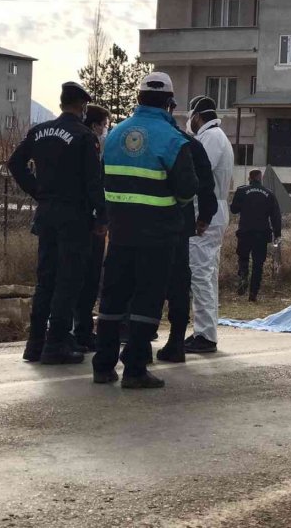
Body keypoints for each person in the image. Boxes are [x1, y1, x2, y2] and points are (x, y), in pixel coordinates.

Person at [92, 72, 198, 389]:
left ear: (138, 99)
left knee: (113, 298)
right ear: (169, 103)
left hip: (120, 232)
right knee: (146, 299)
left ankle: (103, 366)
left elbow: (102, 181)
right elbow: (187, 189)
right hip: (158, 234)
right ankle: (135, 369)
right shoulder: (174, 140)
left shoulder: (114, 135)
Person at [8, 81, 104, 365]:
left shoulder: (39, 131)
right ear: (82, 105)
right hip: (74, 217)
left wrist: (37, 190)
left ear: (62, 102)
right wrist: (102, 216)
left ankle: (35, 343)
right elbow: (93, 181)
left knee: (45, 280)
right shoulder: (84, 136)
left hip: (46, 213)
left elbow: (15, 163)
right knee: (69, 279)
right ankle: (57, 343)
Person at [156, 97, 218, 364]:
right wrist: (204, 214)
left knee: (143, 282)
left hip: (137, 223)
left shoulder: (125, 135)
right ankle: (176, 341)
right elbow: (201, 182)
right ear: (169, 108)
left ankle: (137, 343)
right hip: (178, 222)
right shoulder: (187, 141)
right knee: (181, 281)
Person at [185, 96, 234, 354]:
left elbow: (197, 174)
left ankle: (204, 335)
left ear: (197, 116)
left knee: (200, 273)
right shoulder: (216, 136)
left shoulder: (211, 138)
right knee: (207, 273)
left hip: (207, 212)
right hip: (214, 209)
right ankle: (206, 331)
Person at [72, 103, 111, 352]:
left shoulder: (74, 143)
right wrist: (103, 217)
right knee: (87, 279)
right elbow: (95, 185)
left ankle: (78, 331)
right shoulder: (90, 146)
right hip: (89, 222)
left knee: (76, 279)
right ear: (95, 125)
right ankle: (82, 332)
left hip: (73, 220)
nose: (106, 130)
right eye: (104, 125)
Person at [230, 169, 282, 302]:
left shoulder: (241, 191)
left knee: (243, 258)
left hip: (245, 232)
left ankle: (243, 277)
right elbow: (276, 216)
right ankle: (253, 293)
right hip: (261, 234)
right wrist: (277, 234)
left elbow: (234, 209)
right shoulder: (269, 194)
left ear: (249, 178)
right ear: (260, 178)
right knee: (258, 263)